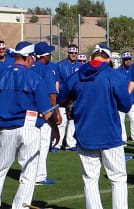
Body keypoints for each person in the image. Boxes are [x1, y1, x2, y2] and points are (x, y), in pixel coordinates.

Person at [59, 44, 132, 209]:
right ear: (107, 59)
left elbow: (61, 98)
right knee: (118, 178)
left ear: (92, 58)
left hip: (85, 134)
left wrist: (72, 101)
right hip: (110, 134)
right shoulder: (113, 76)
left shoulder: (76, 76)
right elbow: (126, 105)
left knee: (90, 179)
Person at [0, 41, 59, 209]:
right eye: (32, 57)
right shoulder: (34, 77)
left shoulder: (2, 74)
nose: (33, 60)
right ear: (28, 58)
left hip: (5, 128)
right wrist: (55, 129)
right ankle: (20, 207)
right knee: (28, 172)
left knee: (1, 169)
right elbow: (47, 112)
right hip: (29, 127)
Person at [32, 42, 62, 185]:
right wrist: (57, 113)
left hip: (27, 113)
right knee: (43, 145)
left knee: (30, 147)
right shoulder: (45, 70)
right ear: (44, 56)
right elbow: (51, 95)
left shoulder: (28, 68)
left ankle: (30, 174)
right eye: (49, 53)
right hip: (43, 114)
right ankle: (39, 176)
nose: (50, 55)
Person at [53, 44, 82, 152]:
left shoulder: (81, 66)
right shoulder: (60, 65)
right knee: (62, 121)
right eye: (71, 52)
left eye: (75, 53)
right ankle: (57, 144)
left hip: (75, 97)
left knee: (73, 121)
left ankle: (71, 143)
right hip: (63, 96)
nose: (73, 54)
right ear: (68, 53)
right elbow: (57, 81)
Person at [117, 51, 134, 147]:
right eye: (125, 59)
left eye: (129, 59)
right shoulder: (117, 71)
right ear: (122, 60)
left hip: (133, 100)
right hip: (121, 100)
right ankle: (123, 139)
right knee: (121, 120)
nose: (128, 61)